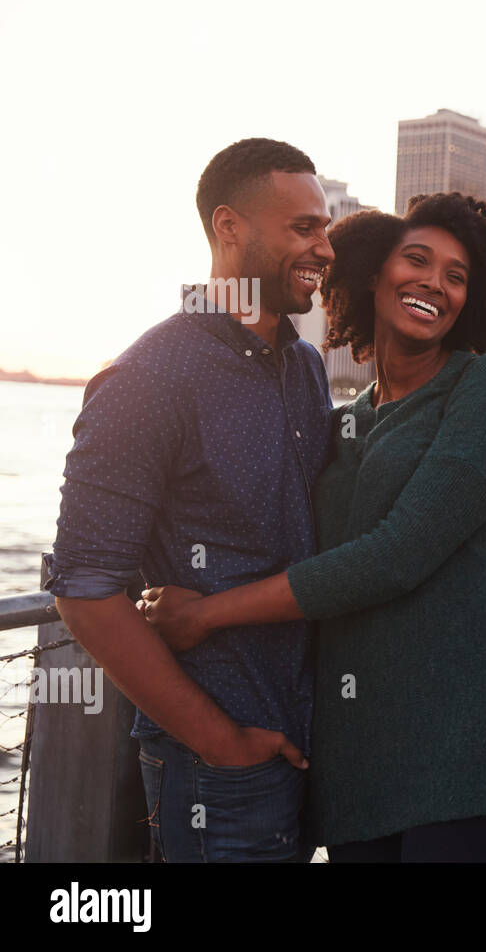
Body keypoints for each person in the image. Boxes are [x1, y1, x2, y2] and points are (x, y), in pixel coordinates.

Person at [139, 192, 486, 863]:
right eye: (417, 260)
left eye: (457, 276)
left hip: (474, 744)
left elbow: (396, 556)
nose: (435, 283)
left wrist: (207, 616)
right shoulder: (345, 417)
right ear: (371, 273)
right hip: (357, 753)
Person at [46, 138, 335, 862]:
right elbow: (84, 590)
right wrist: (221, 741)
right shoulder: (148, 376)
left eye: (324, 227)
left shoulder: (303, 366)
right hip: (218, 774)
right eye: (304, 227)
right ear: (230, 228)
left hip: (309, 754)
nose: (325, 248)